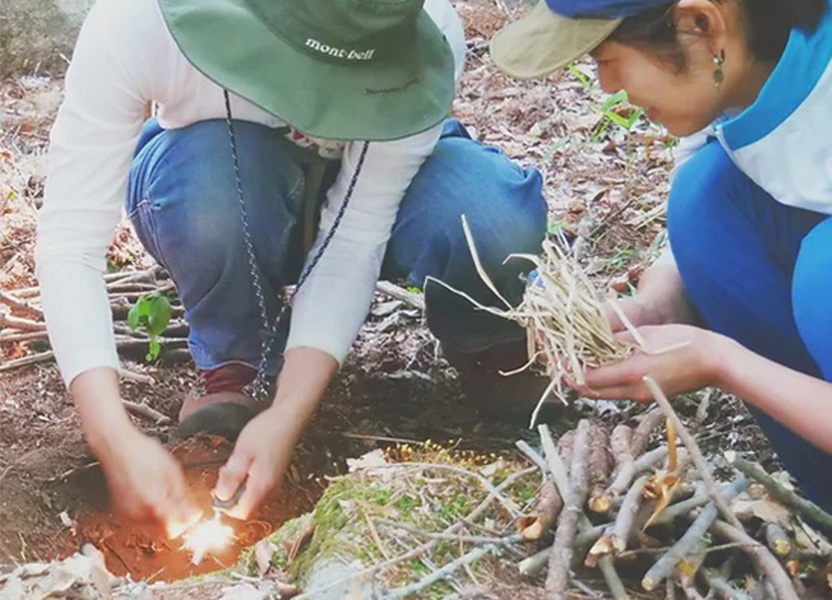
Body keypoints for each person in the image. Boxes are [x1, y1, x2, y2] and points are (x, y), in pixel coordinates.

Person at [36, 0, 547, 534]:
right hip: (218, 176)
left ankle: (489, 344)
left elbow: (355, 233)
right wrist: (111, 435)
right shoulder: (143, 20)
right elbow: (71, 239)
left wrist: (288, 415)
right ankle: (237, 360)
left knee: (486, 217)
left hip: (386, 202)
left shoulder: (422, 27)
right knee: (209, 194)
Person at [491, 0, 832, 547]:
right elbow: (705, 151)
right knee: (706, 202)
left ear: (700, 23)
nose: (607, 85)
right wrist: (656, 306)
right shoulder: (742, 57)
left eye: (607, 57)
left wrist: (721, 361)